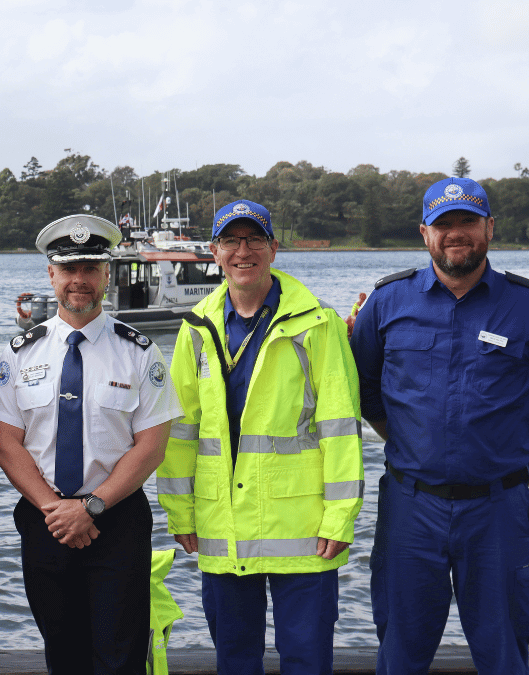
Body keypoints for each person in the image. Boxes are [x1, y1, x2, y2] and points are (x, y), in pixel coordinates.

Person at [157, 200, 364, 675]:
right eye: (231, 240)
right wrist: (180, 511)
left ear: (273, 248)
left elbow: (340, 428)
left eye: (254, 239)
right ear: (214, 252)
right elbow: (181, 432)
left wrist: (340, 518)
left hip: (304, 530)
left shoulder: (318, 323)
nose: (243, 251)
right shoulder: (195, 328)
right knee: (235, 661)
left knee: (307, 661)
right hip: (222, 526)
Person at [0, 214, 182, 675]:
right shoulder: (19, 353)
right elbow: (6, 442)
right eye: (68, 269)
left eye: (91, 268)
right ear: (50, 275)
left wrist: (90, 507)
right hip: (46, 520)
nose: (79, 280)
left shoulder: (139, 351)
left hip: (116, 519)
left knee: (120, 658)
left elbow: (151, 445)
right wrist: (56, 509)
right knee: (63, 654)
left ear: (107, 275)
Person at [350, 177, 529, 675]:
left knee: (507, 651)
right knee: (400, 651)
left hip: (501, 509)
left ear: (489, 228)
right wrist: (410, 443)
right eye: (443, 223)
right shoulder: (387, 302)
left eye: (468, 221)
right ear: (424, 233)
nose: (456, 233)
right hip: (411, 508)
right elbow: (362, 390)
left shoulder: (523, 304)